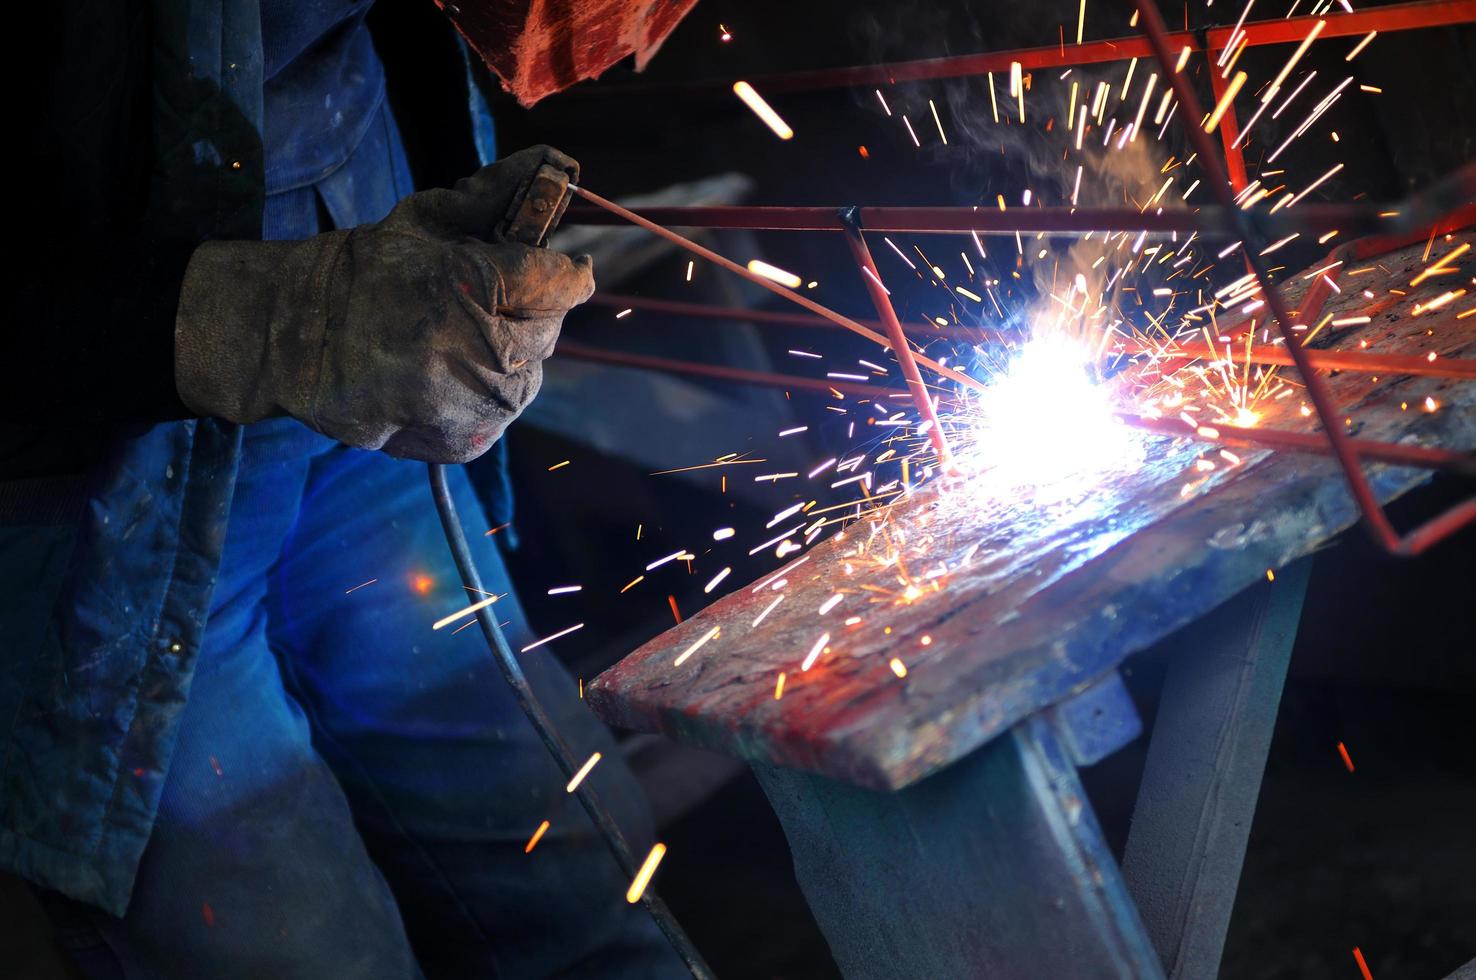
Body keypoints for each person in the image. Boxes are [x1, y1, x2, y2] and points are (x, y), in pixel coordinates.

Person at [2, 2, 686, 976]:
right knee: (311, 949)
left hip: (378, 302)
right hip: (86, 520)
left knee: (580, 885)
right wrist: (282, 318)